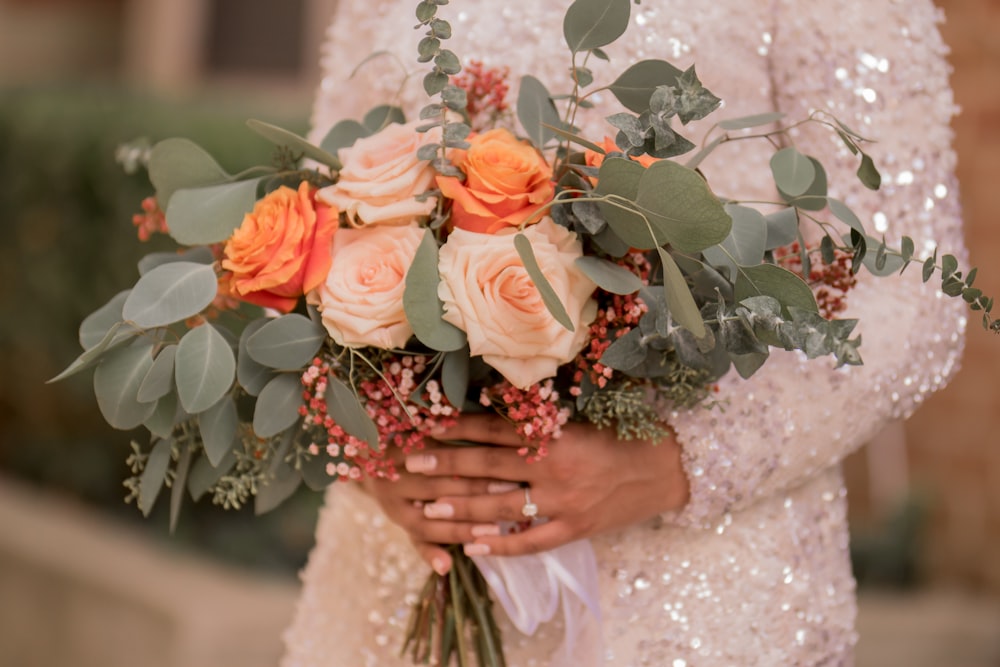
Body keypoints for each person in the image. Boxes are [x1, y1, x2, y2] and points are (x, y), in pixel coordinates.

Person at [283, 1, 968, 664]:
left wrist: (678, 464)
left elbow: (913, 294)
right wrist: (375, 458)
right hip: (398, 575)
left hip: (696, 588)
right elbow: (319, 222)